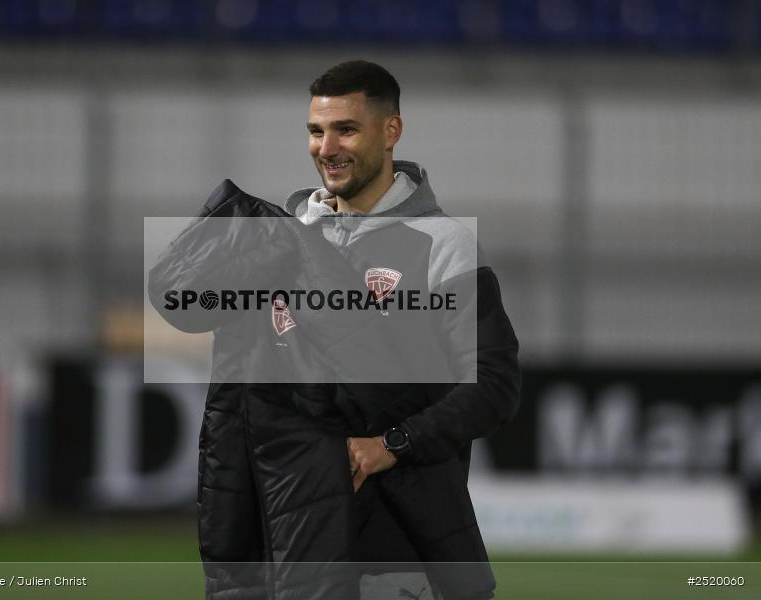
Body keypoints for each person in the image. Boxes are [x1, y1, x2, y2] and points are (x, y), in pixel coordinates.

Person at [148, 60, 520, 600]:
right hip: (287, 555)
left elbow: (492, 387)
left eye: (346, 129)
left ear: (391, 130)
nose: (327, 148)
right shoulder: (275, 246)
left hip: (397, 553)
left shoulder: (443, 246)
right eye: (316, 131)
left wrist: (390, 445)